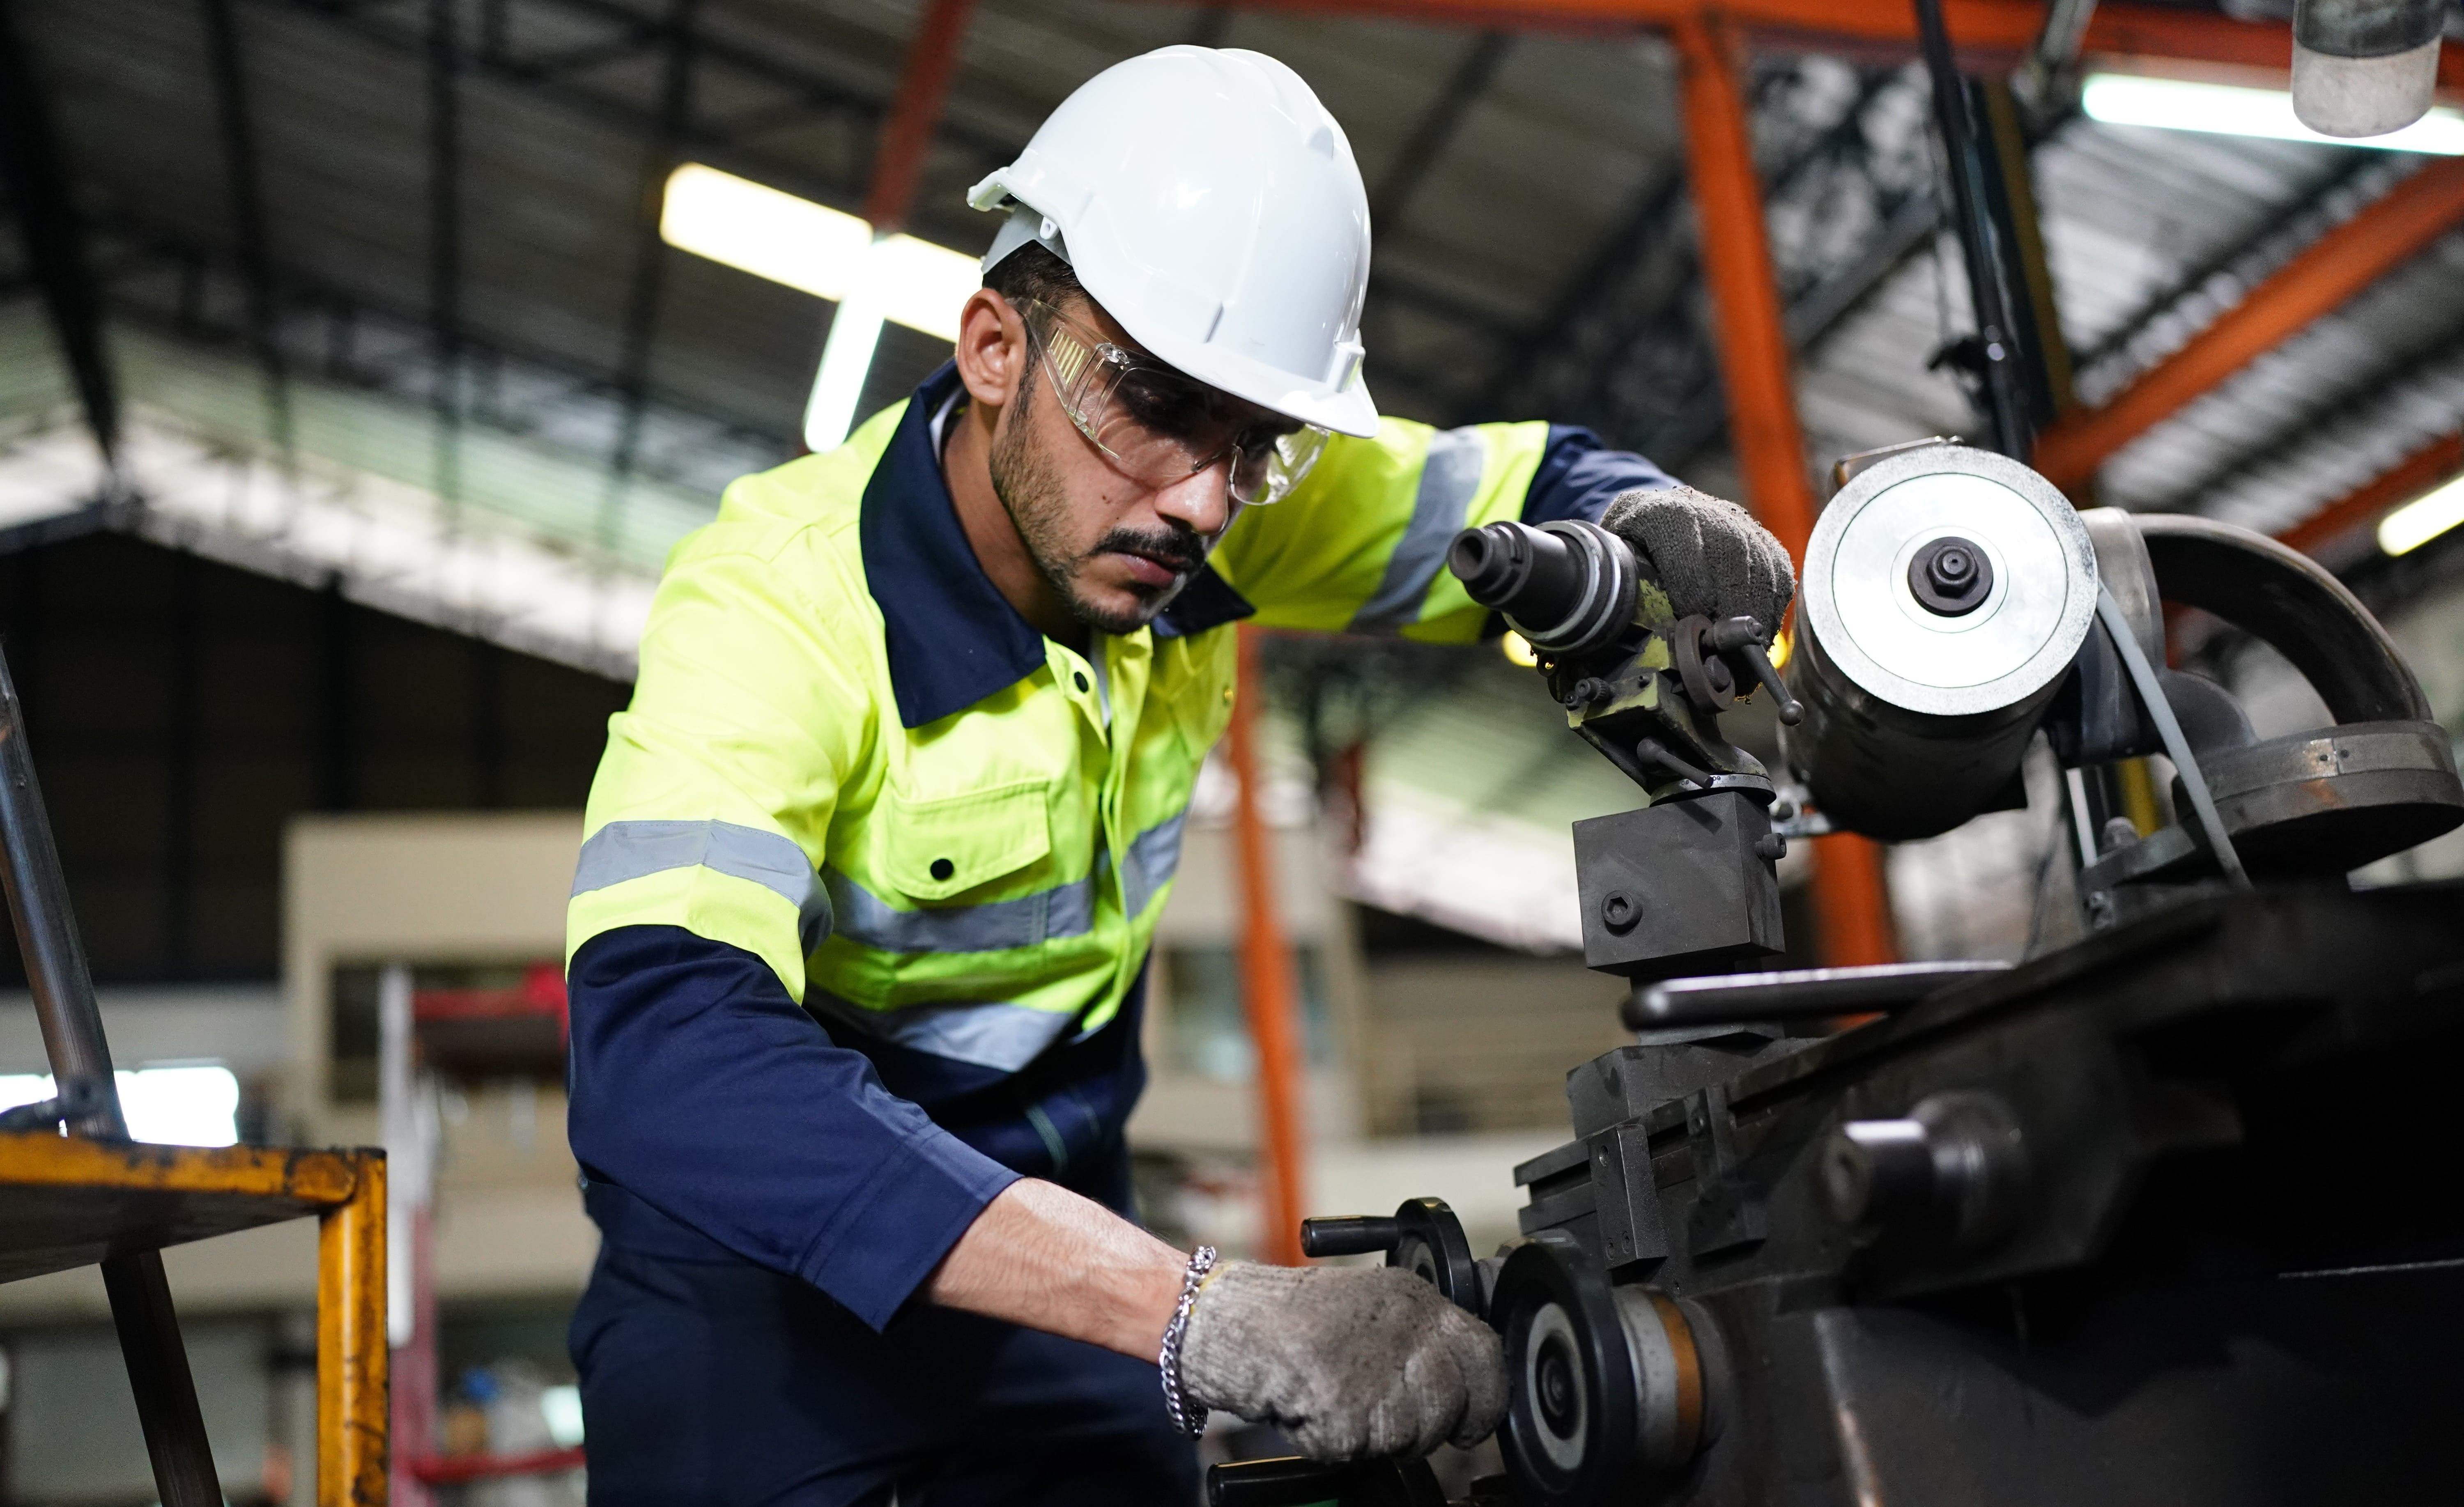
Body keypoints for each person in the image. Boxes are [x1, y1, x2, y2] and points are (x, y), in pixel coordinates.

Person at [561, 43, 1793, 1507]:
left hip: (1069, 1250)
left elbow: (1522, 491)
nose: (1203, 500)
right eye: (1149, 403)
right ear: (994, 348)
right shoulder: (777, 609)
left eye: (1254, 440)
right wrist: (1196, 1310)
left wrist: (1637, 522)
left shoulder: (1197, 501)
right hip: (759, 1280)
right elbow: (665, 1052)